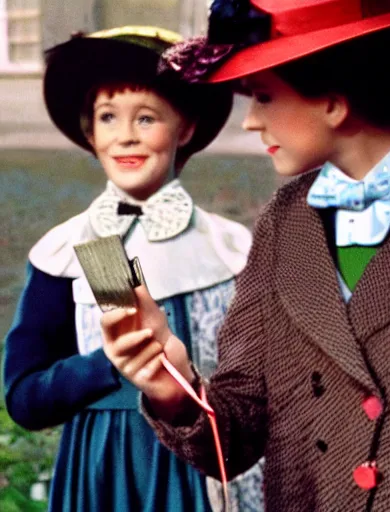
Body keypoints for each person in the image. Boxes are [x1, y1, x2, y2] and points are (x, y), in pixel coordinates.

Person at [101, 2, 390, 510]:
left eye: (265, 97)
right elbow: (239, 436)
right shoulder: (281, 227)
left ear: (333, 104)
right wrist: (174, 388)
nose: (250, 121)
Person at [3, 25, 263, 512]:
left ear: (185, 128)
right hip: (105, 474)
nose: (125, 136)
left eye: (146, 118)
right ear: (89, 132)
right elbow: (24, 396)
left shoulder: (230, 248)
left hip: (203, 472)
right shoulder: (76, 249)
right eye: (107, 117)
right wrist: (107, 366)